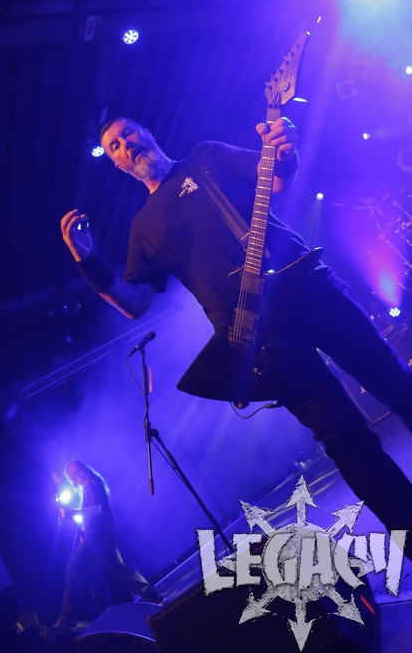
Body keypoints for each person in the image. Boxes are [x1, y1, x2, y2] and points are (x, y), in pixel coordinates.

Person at [60, 117, 412, 558]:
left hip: (305, 285)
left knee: (393, 379)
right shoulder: (144, 227)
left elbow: (277, 177)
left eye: (128, 133)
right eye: (114, 146)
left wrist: (286, 149)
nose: (125, 145)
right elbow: (135, 302)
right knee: (345, 439)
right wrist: (87, 261)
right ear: (117, 164)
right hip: (261, 336)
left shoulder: (207, 155)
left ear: (146, 132)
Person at [53, 460, 163, 630]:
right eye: (72, 474)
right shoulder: (90, 485)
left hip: (97, 536)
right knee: (118, 568)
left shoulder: (90, 484)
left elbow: (97, 509)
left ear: (82, 470)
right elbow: (95, 512)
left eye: (76, 471)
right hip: (99, 535)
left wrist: (72, 513)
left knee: (74, 567)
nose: (76, 475)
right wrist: (84, 528)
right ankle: (153, 594)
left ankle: (67, 618)